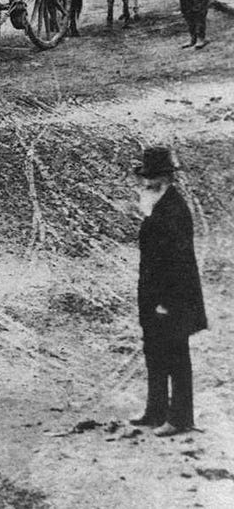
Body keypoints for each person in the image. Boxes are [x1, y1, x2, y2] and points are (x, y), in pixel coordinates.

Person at [130, 145, 207, 437]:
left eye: (153, 177)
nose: (146, 183)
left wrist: (166, 302)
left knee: (176, 356)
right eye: (145, 177)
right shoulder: (157, 205)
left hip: (172, 300)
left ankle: (180, 419)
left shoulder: (173, 209)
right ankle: (156, 412)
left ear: (166, 178)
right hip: (154, 298)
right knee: (154, 352)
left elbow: (178, 263)